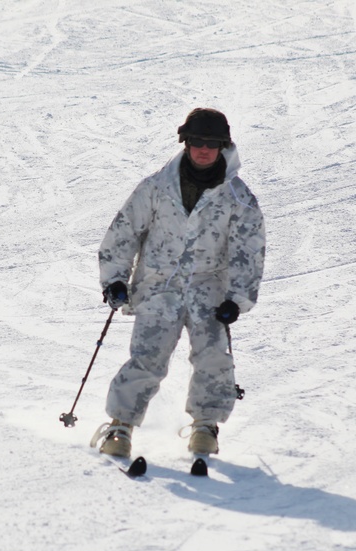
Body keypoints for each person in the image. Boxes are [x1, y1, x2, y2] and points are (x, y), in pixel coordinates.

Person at [92, 108, 266, 458]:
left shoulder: (237, 197)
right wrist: (115, 279)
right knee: (147, 358)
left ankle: (205, 426)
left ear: (223, 146)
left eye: (212, 143)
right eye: (197, 142)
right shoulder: (156, 187)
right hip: (159, 286)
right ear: (186, 143)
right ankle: (120, 427)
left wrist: (238, 298)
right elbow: (125, 231)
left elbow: (249, 249)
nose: (203, 149)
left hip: (209, 290)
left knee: (214, 358)